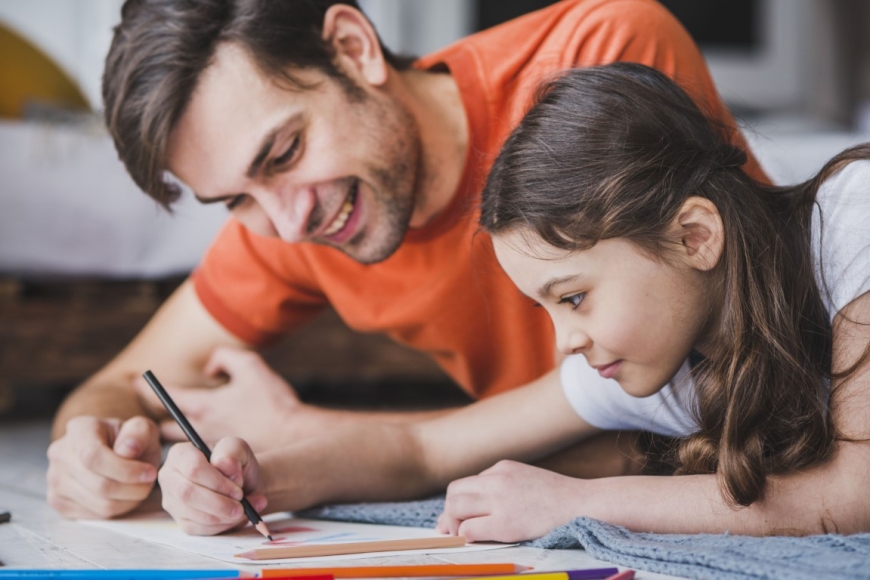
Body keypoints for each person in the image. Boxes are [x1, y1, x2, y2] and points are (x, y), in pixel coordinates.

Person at [47, 0, 765, 520]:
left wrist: (320, 434)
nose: (290, 222)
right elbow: (117, 386)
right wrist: (95, 452)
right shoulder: (286, 221)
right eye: (232, 199)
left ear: (354, 47)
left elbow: (739, 402)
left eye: (286, 152)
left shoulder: (599, 59)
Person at [155, 63, 870, 539]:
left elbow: (851, 495)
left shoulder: (852, 219)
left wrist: (573, 503)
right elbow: (422, 448)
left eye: (577, 296)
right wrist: (257, 479)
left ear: (693, 235)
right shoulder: (676, 353)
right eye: (547, 308)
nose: (566, 340)